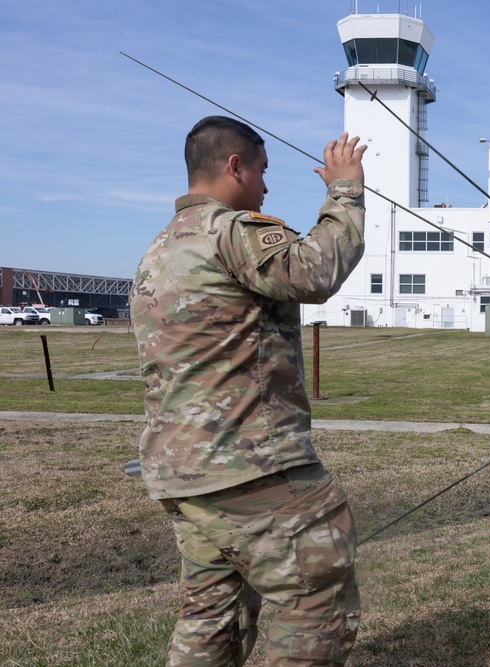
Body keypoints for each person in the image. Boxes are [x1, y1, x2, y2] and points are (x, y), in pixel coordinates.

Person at [130, 115, 367, 666]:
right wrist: (345, 189)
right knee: (314, 600)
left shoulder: (158, 252)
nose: (265, 186)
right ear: (234, 166)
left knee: (211, 616)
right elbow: (315, 273)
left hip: (183, 474)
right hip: (252, 467)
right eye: (261, 171)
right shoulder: (231, 232)